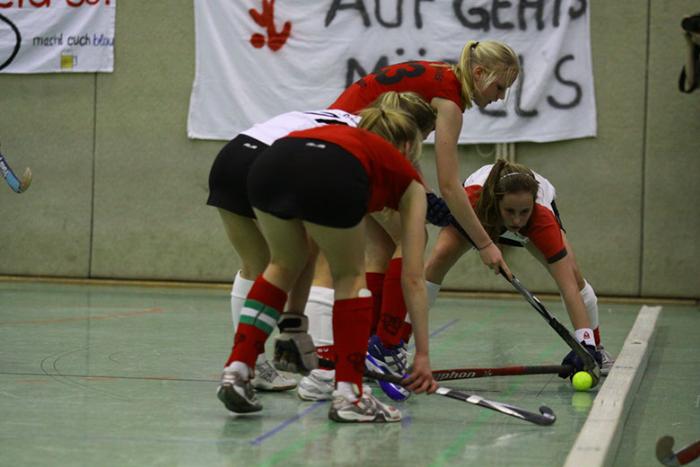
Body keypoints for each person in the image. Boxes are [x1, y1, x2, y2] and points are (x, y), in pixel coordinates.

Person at [309, 39, 521, 400]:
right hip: (350, 146)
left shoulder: (439, 75)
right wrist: (485, 243)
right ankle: (387, 345)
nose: (500, 97)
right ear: (479, 73)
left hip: (335, 143)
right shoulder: (450, 101)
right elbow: (451, 185)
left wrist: (425, 195)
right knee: (411, 235)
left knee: (382, 246)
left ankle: (367, 344)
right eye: (500, 87)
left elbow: (404, 147)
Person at [217, 106, 438, 423]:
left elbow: (308, 250)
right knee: (350, 276)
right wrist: (423, 356)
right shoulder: (406, 179)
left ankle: (237, 369)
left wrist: (294, 324)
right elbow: (413, 277)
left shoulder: (343, 138)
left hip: (270, 163)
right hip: (323, 170)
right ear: (407, 146)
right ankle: (350, 395)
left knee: (283, 263)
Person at [424, 160, 615, 376]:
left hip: (533, 224)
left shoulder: (541, 219)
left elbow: (568, 286)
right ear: (496, 203)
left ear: (533, 205)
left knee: (573, 275)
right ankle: (399, 343)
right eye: (510, 211)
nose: (517, 220)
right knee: (438, 258)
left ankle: (596, 347)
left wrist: (585, 345)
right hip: (481, 216)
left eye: (524, 211)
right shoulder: (473, 201)